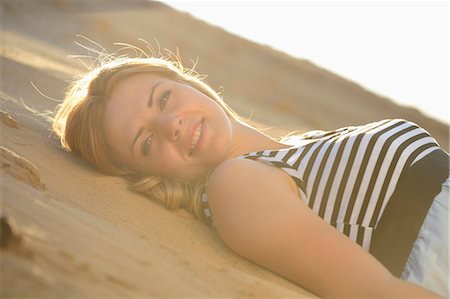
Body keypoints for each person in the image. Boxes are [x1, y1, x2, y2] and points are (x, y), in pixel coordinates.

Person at [52, 53, 449, 298]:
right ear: (144, 174)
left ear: (186, 82)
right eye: (145, 143)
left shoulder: (298, 145)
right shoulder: (235, 183)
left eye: (164, 98)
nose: (170, 123)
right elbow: (371, 291)